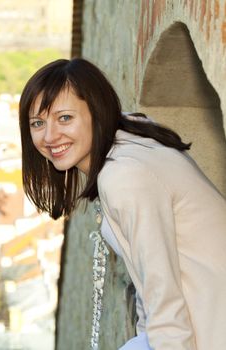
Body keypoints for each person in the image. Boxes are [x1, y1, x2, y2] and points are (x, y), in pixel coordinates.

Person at [18, 58, 226, 350]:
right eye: (38, 123)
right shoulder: (134, 137)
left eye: (65, 118)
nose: (50, 136)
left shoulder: (122, 176)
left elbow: (161, 290)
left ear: (96, 111)